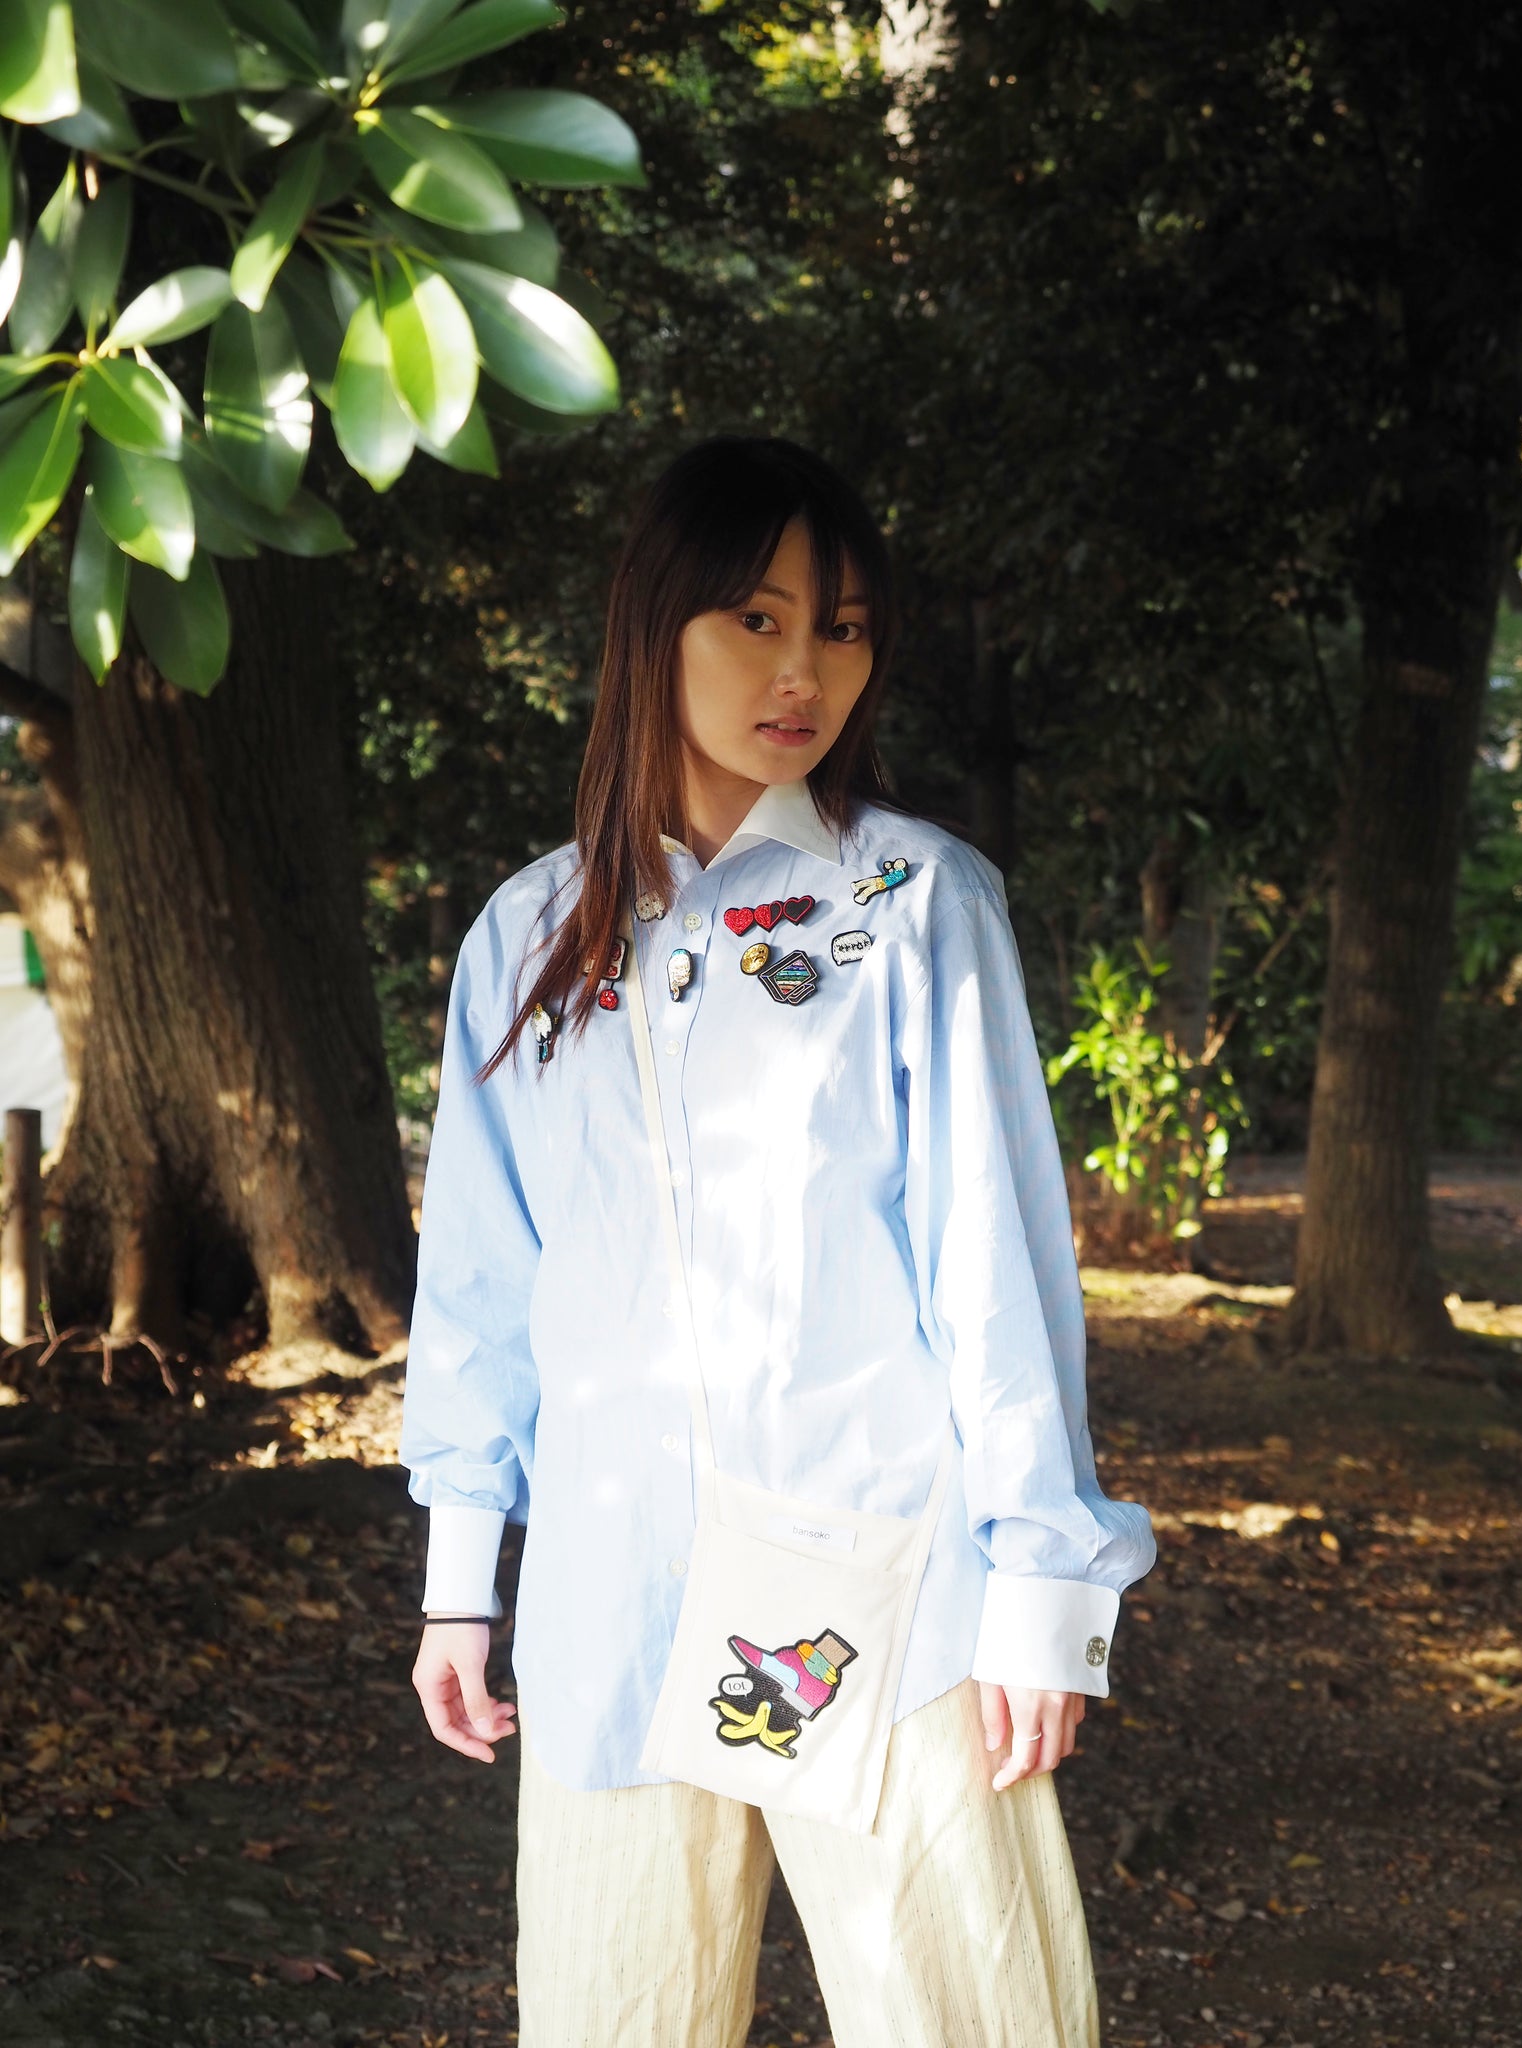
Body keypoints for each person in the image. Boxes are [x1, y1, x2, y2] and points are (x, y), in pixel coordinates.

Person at [398, 436, 1156, 2047]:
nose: (806, 670)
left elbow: (995, 1264)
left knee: (973, 2021)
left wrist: (1042, 1583)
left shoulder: (915, 905)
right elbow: (482, 1280)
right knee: (617, 2017)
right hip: (613, 1590)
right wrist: (462, 1581)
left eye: (846, 628)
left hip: (878, 1580)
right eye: (758, 619)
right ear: (653, 622)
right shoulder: (528, 941)